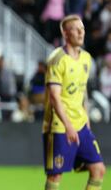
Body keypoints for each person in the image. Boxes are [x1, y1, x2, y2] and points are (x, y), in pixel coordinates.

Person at [43, 14, 106, 190]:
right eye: (75, 29)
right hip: (59, 126)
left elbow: (82, 90)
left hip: (81, 124)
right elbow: (54, 97)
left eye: (82, 29)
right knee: (55, 174)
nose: (80, 33)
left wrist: (86, 119)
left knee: (98, 169)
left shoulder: (86, 59)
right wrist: (68, 125)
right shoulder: (57, 59)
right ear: (65, 33)